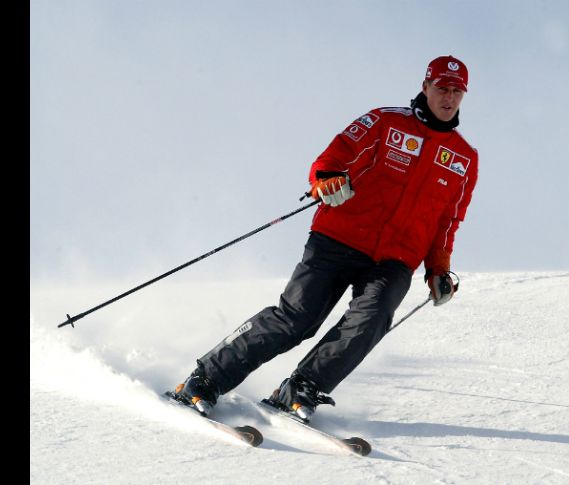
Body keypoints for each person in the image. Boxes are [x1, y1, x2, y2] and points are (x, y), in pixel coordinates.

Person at [169, 55, 479, 421]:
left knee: (372, 320)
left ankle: (301, 389)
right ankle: (205, 379)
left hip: (395, 259)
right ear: (426, 87)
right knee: (297, 319)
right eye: (442, 88)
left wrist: (439, 269)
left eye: (457, 91)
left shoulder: (464, 157)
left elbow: (447, 221)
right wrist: (327, 176)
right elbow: (337, 154)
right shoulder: (386, 121)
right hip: (339, 238)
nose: (449, 97)